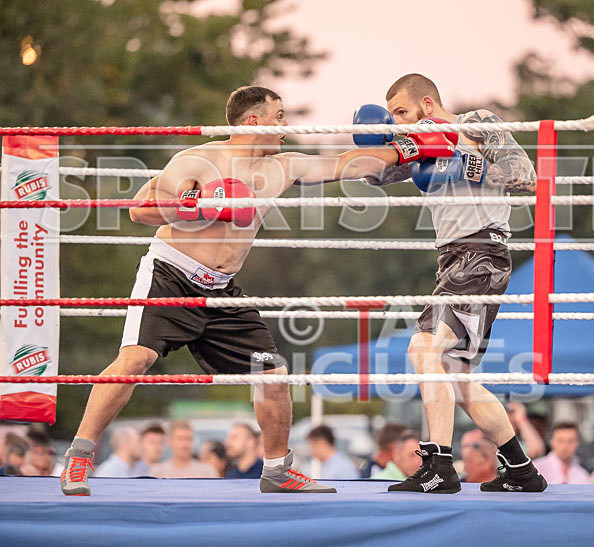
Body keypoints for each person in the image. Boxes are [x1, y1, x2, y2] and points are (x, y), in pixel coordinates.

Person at [59, 85, 455, 496]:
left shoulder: (283, 167)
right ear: (254, 121)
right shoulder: (201, 159)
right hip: (171, 276)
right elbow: (140, 208)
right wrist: (198, 202)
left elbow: (345, 164)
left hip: (222, 290)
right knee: (135, 360)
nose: (286, 126)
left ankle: (277, 470)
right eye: (279, 116)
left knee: (272, 375)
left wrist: (412, 148)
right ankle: (80, 457)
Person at [354, 73, 543, 494]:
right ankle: (522, 469)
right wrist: (369, 142)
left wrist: (464, 156)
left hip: (482, 254)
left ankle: (439, 464)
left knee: (422, 349)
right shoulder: (416, 144)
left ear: (426, 103)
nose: (398, 122)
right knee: (456, 377)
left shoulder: (477, 122)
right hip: (454, 261)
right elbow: (373, 172)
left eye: (401, 112)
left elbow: (524, 176)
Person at [148, 422, 217, 479]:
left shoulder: (207, 472)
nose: (185, 444)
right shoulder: (157, 472)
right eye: (180, 439)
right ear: (170, 441)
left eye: (188, 439)